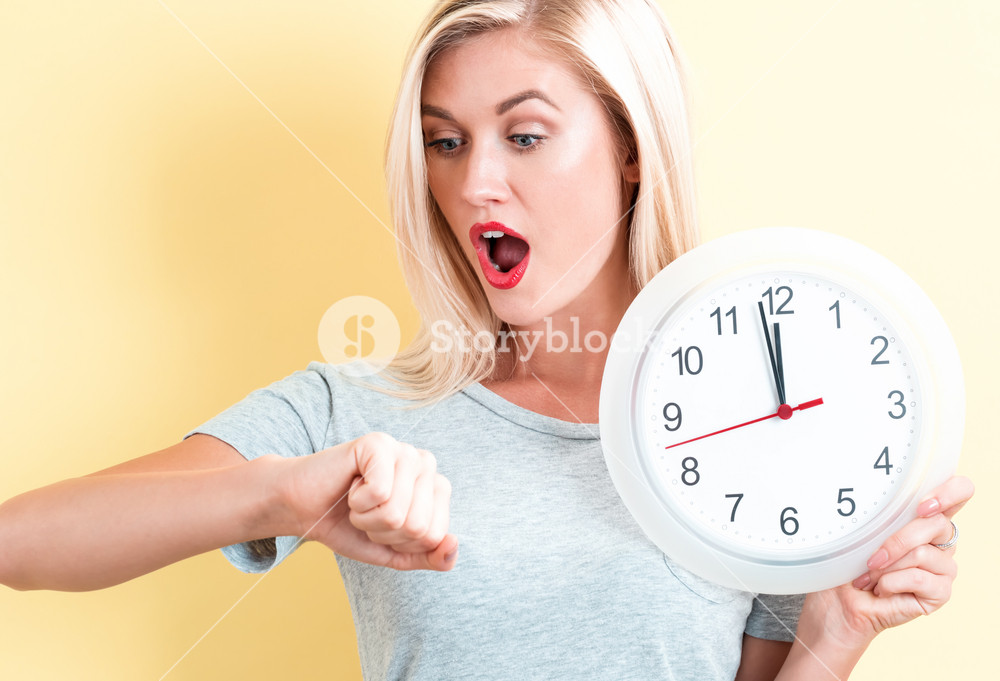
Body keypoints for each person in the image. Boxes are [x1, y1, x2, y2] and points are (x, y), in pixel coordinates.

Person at [0, 0, 974, 679]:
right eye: (445, 140)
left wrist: (834, 636)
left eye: (526, 134)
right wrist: (284, 492)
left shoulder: (761, 444)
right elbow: (22, 543)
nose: (474, 187)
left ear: (630, 147)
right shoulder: (358, 415)